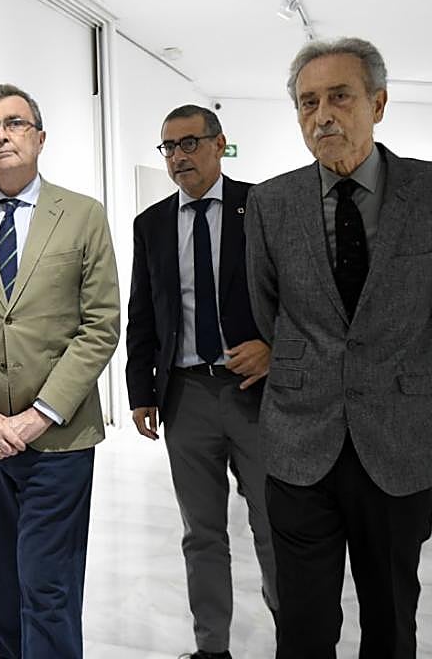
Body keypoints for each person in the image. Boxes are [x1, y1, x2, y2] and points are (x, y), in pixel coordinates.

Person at [244, 37, 432, 658]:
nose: (322, 114)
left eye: (340, 97)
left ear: (377, 103)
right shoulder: (270, 204)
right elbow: (269, 311)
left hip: (402, 437)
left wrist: (402, 369)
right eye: (307, 103)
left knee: (392, 613)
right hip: (300, 440)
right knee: (302, 623)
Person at [0, 83, 120, 659]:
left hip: (58, 440)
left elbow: (100, 323)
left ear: (39, 136)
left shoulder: (82, 215)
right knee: (1, 592)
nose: (2, 135)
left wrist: (39, 416)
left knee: (48, 588)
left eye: (13, 123)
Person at [125, 104, 276, 659]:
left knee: (273, 526)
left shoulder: (260, 207)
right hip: (185, 397)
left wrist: (276, 347)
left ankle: (296, 640)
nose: (179, 156)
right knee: (202, 533)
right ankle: (212, 647)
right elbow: (144, 312)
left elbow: (301, 296)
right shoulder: (152, 224)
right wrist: (141, 390)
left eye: (190, 143)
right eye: (169, 147)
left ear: (220, 144)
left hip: (255, 394)